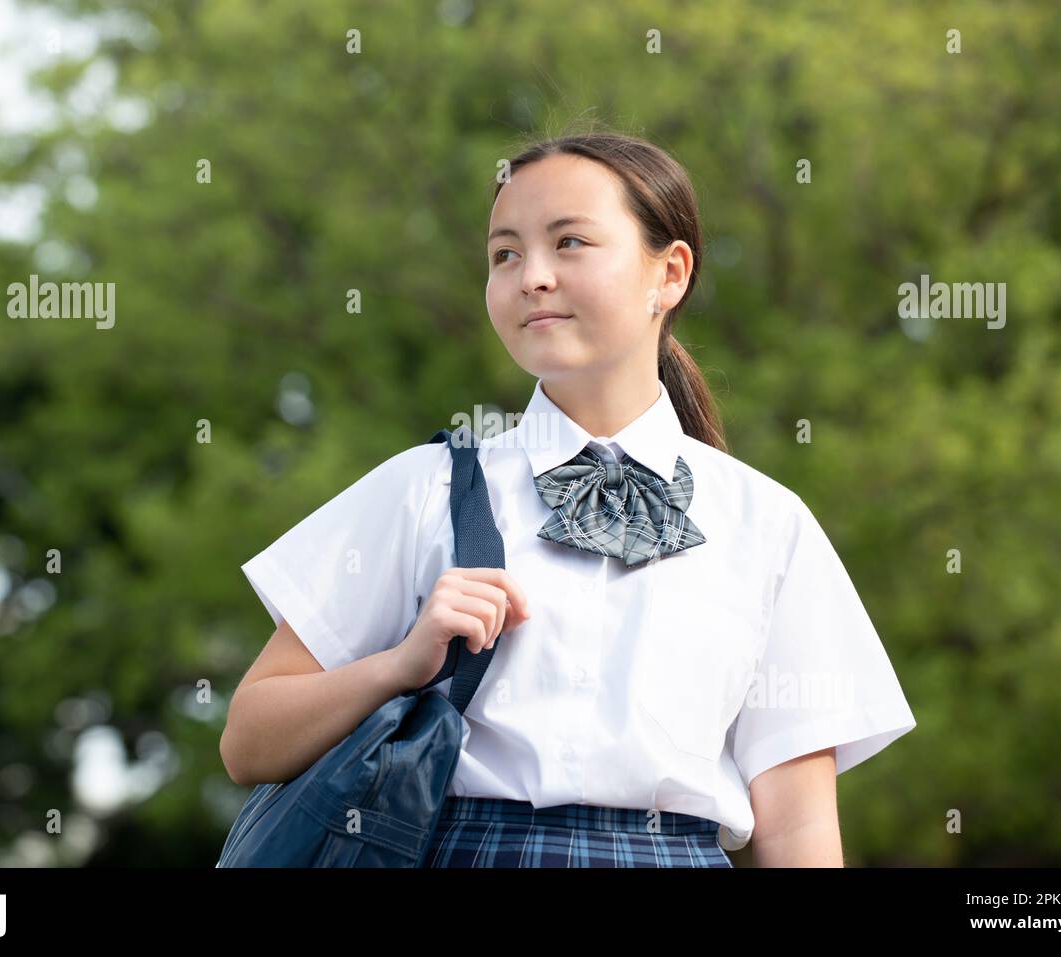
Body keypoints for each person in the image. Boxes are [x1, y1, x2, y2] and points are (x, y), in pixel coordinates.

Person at [220, 130, 916, 867]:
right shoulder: (423, 487)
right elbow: (247, 738)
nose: (532, 277)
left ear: (670, 273)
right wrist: (399, 663)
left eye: (571, 242)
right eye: (505, 253)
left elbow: (800, 829)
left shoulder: (767, 523)